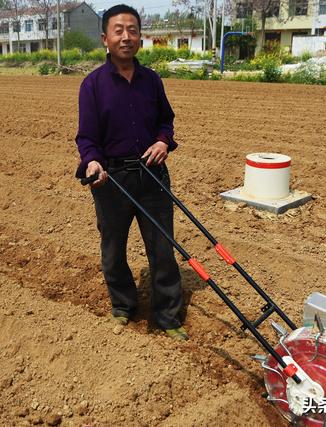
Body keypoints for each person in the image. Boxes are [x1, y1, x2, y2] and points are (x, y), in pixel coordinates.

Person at [74, 4, 188, 341]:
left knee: (162, 247)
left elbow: (166, 120)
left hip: (152, 174)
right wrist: (92, 162)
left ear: (140, 38)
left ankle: (167, 315)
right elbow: (87, 137)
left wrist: (164, 141)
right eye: (119, 30)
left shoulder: (151, 81)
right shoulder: (92, 85)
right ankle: (123, 305)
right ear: (105, 39)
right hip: (112, 180)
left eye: (133, 30)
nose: (126, 36)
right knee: (113, 247)